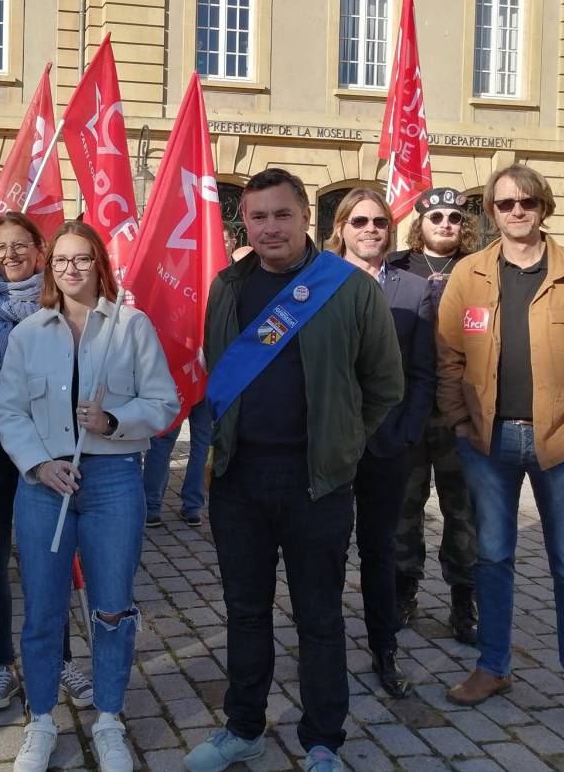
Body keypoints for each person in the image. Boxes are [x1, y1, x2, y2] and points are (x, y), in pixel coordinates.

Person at [185, 169, 401, 772]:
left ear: (306, 217)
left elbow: (385, 384)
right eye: (258, 217)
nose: (270, 227)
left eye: (282, 215)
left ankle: (323, 741)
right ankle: (244, 727)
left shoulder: (348, 289)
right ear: (244, 223)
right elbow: (221, 377)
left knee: (320, 616)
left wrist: (342, 444)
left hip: (317, 483)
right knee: (245, 611)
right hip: (238, 481)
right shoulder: (227, 287)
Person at [437, 164, 564, 749]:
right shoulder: (469, 274)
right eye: (503, 204)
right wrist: (464, 424)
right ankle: (493, 666)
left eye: (526, 202)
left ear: (543, 207)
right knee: (492, 558)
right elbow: (448, 357)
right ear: (490, 213)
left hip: (562, 443)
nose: (515, 212)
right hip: (489, 444)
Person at [0, 220, 178, 772]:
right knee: (43, 611)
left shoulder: (131, 326)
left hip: (114, 480)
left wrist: (115, 419)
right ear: (50, 270)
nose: (70, 270)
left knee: (113, 610)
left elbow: (164, 402)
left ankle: (110, 719)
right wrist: (39, 462)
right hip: (44, 486)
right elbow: (8, 410)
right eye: (61, 261)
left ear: (100, 264)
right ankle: (43, 720)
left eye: (81, 259)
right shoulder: (30, 333)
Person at [0, 212, 95, 715]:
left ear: (40, 251)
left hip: (46, 443)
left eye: (21, 246)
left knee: (48, 553)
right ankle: (2, 664)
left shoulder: (58, 300)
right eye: (1, 247)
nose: (11, 255)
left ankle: (59, 658)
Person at [327, 188, 434, 699]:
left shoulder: (415, 290)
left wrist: (408, 430)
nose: (371, 229)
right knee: (323, 550)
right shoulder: (316, 282)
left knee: (380, 551)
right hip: (328, 446)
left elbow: (423, 371)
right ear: (342, 227)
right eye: (360, 221)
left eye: (380, 222)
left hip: (389, 445)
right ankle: (322, 648)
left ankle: (384, 647)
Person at [387, 188, 480, 644]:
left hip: (461, 408)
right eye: (436, 216)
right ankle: (404, 590)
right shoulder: (396, 267)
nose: (446, 223)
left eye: (455, 217)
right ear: (419, 222)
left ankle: (465, 599)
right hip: (407, 405)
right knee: (404, 503)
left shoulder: (480, 269)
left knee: (463, 508)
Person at [141, 401, 211, 527]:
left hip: (176, 388)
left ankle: (152, 507)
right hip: (205, 386)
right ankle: (193, 507)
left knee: (161, 442)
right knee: (201, 444)